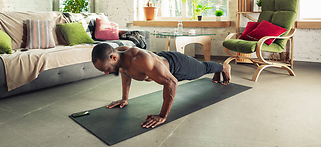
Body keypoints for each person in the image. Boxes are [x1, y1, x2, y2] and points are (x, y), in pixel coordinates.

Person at [91, 43, 231, 129]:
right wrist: (124, 98)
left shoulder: (139, 60)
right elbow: (125, 73)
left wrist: (162, 116)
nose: (105, 72)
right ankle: (219, 70)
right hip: (162, 60)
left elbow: (172, 82)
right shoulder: (119, 56)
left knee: (202, 68)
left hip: (178, 66)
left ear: (113, 58)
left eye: (106, 68)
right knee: (203, 68)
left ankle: (224, 67)